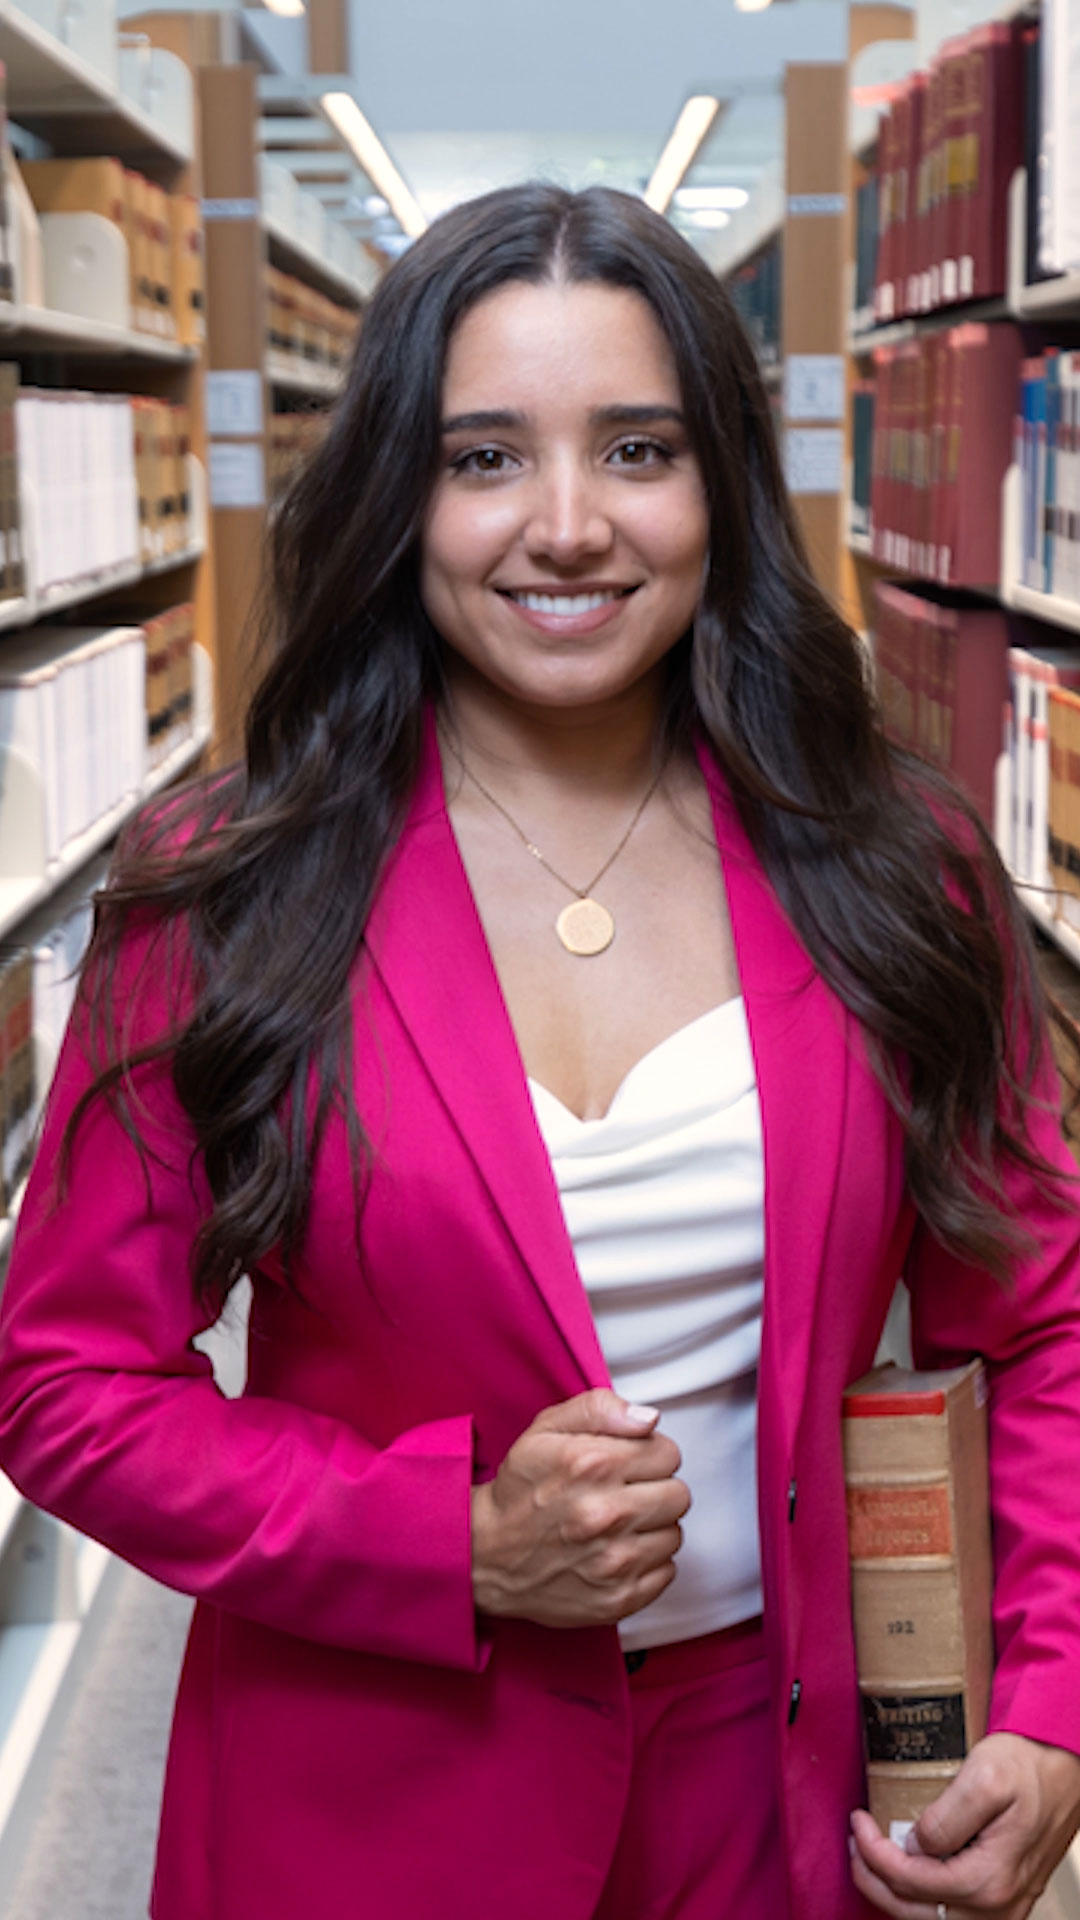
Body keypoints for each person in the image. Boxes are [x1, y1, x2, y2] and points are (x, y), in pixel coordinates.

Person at [0, 182, 1078, 1920]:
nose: (565, 526)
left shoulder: (895, 866)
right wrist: (456, 1540)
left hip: (777, 1800)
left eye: (636, 449)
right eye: (484, 457)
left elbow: (1041, 1315)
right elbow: (63, 1386)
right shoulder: (231, 889)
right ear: (392, 497)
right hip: (360, 1794)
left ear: (721, 482)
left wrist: (1047, 1705)